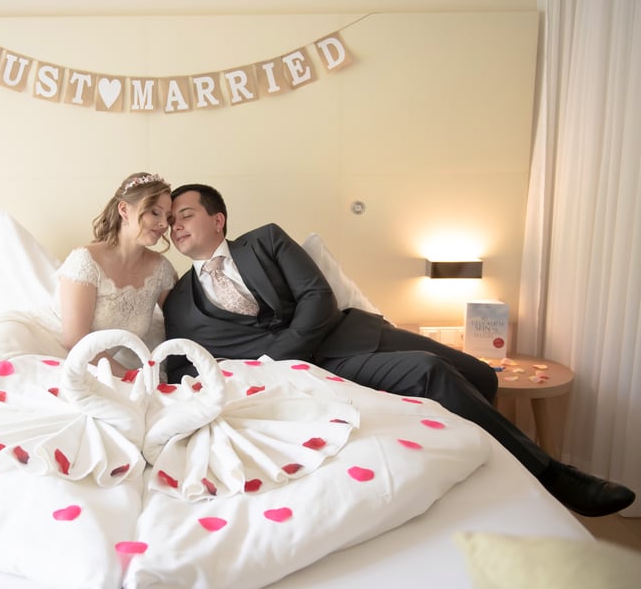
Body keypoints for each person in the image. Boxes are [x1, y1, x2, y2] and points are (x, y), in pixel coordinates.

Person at [162, 183, 635, 518]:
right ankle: (553, 475)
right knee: (430, 370)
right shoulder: (180, 300)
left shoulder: (265, 240)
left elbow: (318, 298)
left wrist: (281, 351)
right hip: (319, 371)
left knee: (482, 375)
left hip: (349, 334)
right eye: (170, 221)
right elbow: (182, 363)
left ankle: (491, 456)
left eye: (185, 214)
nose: (176, 225)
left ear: (217, 219)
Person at [54, 171, 177, 376]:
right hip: (63, 356)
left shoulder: (161, 269)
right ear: (124, 210)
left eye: (168, 217)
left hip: (106, 366)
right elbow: (75, 341)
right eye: (155, 213)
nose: (164, 224)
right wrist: (130, 377)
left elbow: (182, 319)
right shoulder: (86, 261)